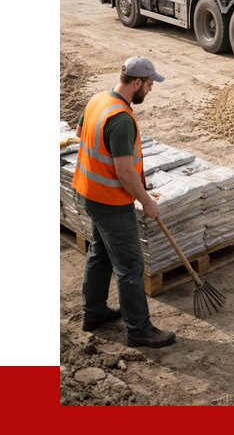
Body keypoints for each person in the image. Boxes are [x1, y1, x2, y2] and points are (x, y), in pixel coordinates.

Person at [72, 56, 176, 348]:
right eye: (150, 84)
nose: (151, 90)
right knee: (130, 266)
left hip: (89, 192)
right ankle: (139, 329)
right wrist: (146, 201)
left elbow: (81, 134)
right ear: (137, 83)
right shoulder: (120, 119)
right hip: (110, 202)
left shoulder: (98, 100)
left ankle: (93, 314)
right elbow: (124, 172)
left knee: (100, 254)